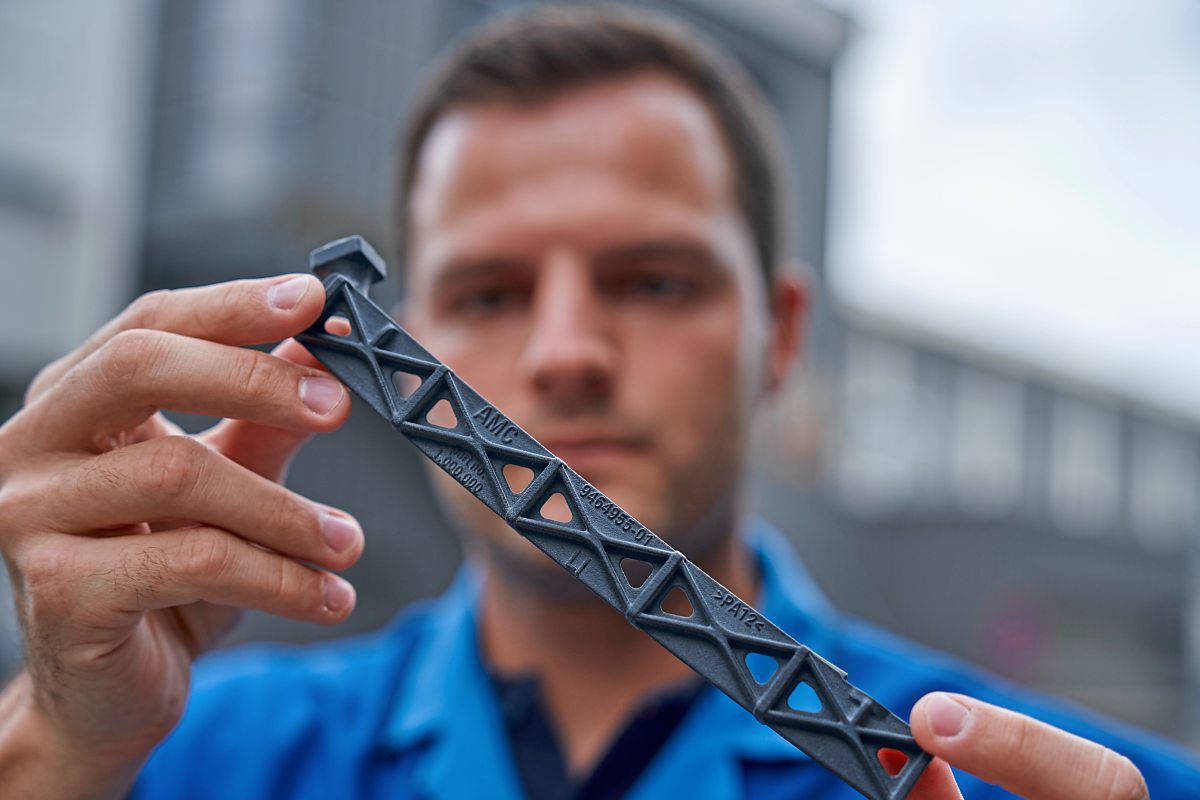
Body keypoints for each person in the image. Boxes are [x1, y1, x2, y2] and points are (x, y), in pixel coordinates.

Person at [0, 5, 1195, 799]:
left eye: (653, 280)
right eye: (490, 290)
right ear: (407, 331)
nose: (567, 351)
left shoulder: (1063, 784)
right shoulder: (174, 758)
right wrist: (54, 750)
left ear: (781, 333)